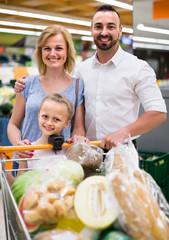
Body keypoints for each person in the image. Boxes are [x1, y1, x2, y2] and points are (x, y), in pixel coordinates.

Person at [14, 5, 167, 151]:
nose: (104, 32)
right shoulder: (82, 69)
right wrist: (24, 85)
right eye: (98, 26)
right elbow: (63, 96)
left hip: (122, 150)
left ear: (120, 31)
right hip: (87, 150)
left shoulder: (138, 68)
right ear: (92, 30)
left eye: (111, 27)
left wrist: (123, 132)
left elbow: (158, 113)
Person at [8, 24, 87, 174]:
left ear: (67, 51)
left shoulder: (78, 86)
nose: (53, 53)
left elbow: (78, 127)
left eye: (58, 48)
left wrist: (77, 140)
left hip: (60, 164)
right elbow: (13, 124)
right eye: (47, 48)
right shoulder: (26, 84)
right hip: (26, 162)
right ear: (40, 52)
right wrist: (18, 145)